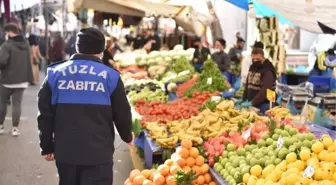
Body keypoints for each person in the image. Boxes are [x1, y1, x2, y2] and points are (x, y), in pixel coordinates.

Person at [37, 27, 133, 185]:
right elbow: (122, 113)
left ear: (76, 47)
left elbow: (45, 115)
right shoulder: (111, 76)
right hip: (98, 154)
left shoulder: (55, 74)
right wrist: (127, 136)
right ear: (101, 50)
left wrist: (46, 146)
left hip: (66, 152)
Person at [0, 23, 33, 136]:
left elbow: (2, 62)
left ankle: (1, 126)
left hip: (7, 80)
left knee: (2, 103)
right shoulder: (26, 43)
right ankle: (15, 128)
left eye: (6, 33)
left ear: (9, 32)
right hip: (22, 79)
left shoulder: (6, 45)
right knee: (17, 104)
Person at [237, 48, 276, 113]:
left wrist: (253, 102)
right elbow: (247, 84)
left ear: (263, 57)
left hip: (266, 104)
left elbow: (265, 90)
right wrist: (244, 98)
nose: (255, 61)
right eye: (253, 59)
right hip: (254, 104)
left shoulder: (268, 70)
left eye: (258, 59)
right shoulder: (252, 67)